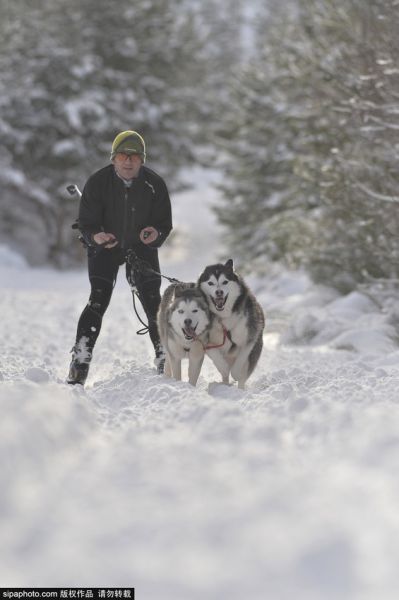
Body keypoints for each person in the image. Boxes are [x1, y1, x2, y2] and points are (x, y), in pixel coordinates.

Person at [67, 130, 173, 385]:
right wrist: (96, 236)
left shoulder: (154, 184)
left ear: (142, 160)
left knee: (152, 299)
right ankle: (80, 359)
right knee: (98, 298)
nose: (128, 161)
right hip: (106, 247)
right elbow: (86, 222)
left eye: (135, 156)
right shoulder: (97, 182)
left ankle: (165, 357)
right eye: (123, 156)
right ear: (113, 158)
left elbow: (164, 224)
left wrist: (154, 234)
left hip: (140, 247)